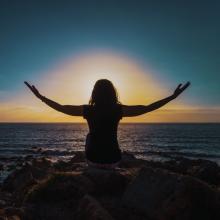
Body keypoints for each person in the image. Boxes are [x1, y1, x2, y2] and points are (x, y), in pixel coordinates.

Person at [24, 79, 190, 168]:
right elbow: (147, 108)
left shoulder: (88, 110)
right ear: (113, 93)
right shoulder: (118, 110)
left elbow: (61, 108)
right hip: (114, 159)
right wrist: (172, 97)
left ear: (94, 93)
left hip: (93, 159)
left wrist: (40, 97)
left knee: (90, 136)